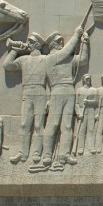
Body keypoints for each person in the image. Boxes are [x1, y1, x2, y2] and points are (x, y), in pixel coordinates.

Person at [39, 27, 88, 171]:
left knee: (67, 125)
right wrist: (76, 34)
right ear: (51, 45)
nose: (61, 42)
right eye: (58, 41)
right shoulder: (50, 58)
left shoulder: (67, 58)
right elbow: (67, 50)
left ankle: (64, 155)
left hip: (69, 90)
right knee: (53, 123)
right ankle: (47, 155)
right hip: (57, 90)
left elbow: (83, 60)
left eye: (62, 40)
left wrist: (85, 43)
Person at [3, 32, 48, 165]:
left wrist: (50, 98)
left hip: (40, 92)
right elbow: (7, 65)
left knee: (39, 124)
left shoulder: (46, 59)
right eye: (28, 41)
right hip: (27, 92)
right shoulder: (24, 59)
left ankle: (36, 153)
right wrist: (14, 51)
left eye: (31, 42)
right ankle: (23, 152)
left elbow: (52, 79)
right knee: (24, 124)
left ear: (37, 44)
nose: (28, 44)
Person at [72, 73, 99, 157]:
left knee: (91, 130)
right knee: (81, 131)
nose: (88, 80)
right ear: (83, 80)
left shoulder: (94, 90)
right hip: (82, 111)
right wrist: (78, 113)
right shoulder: (79, 90)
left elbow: (96, 102)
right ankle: (80, 147)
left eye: (89, 79)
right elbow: (76, 103)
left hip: (90, 110)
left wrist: (88, 102)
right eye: (87, 79)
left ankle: (91, 146)